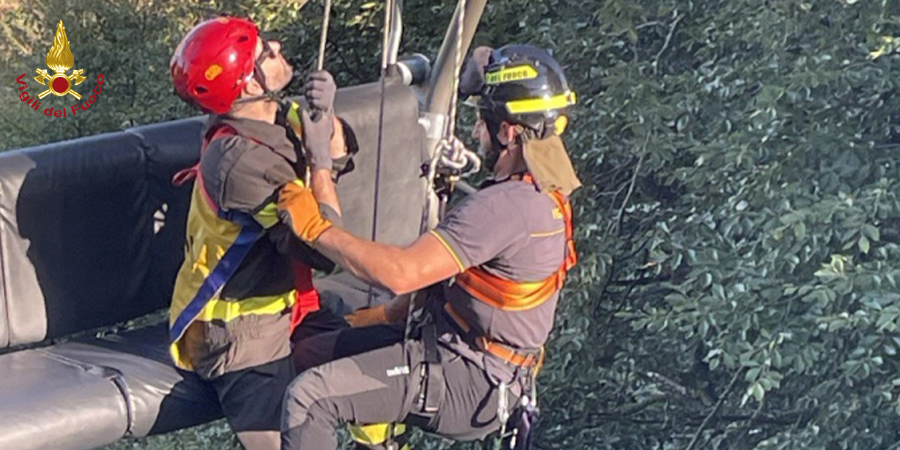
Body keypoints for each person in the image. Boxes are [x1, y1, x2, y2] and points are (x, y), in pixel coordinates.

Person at [276, 44, 581, 450]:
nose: (475, 133)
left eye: (482, 123)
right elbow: (449, 280)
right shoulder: (540, 192)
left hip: (469, 378)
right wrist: (382, 316)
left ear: (509, 132)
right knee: (310, 352)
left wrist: (315, 228)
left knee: (309, 398)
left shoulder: (505, 209)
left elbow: (402, 272)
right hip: (458, 349)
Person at [168, 17, 351, 450]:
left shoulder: (276, 117)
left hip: (286, 306)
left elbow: (341, 155)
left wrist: (327, 124)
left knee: (380, 354)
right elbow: (324, 246)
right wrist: (319, 160)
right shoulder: (238, 161)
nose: (277, 45)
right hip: (239, 334)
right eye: (265, 52)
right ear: (250, 86)